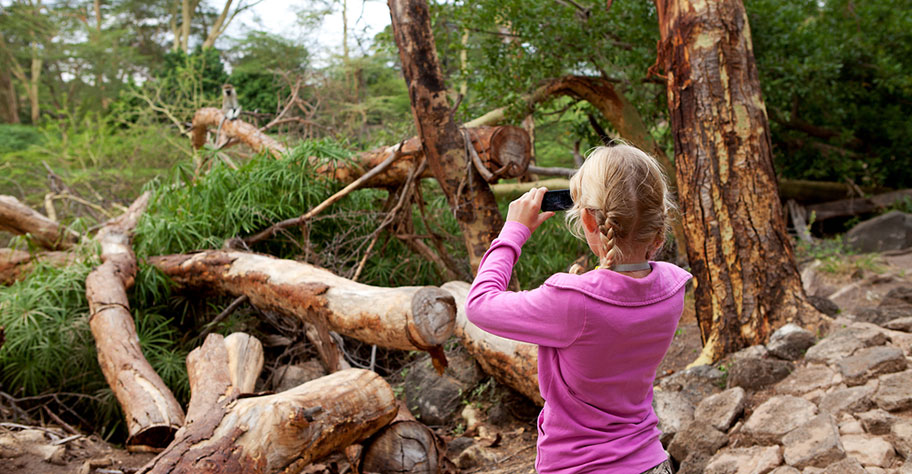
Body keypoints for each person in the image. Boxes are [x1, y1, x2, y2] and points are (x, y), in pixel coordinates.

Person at [465, 144, 691, 473]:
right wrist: (587, 283)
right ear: (659, 228)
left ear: (587, 219)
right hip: (651, 462)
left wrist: (513, 231)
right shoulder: (674, 288)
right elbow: (622, 302)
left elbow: (479, 304)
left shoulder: (572, 301)